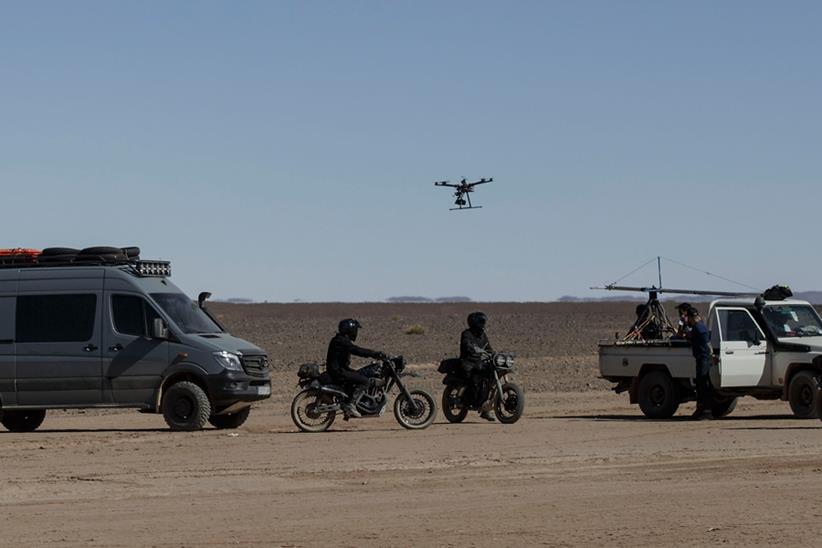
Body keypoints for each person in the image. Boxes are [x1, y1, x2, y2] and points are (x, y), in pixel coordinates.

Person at [325, 319, 386, 418]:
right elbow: (357, 350)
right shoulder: (342, 341)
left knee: (359, 375)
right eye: (355, 330)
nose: (356, 332)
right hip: (338, 371)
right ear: (350, 330)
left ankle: (352, 401)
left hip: (340, 369)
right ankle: (350, 404)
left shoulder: (340, 339)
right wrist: (374, 354)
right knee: (365, 381)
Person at [460, 312, 496, 421]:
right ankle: (471, 401)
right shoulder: (466, 334)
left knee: (490, 379)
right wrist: (473, 348)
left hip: (480, 362)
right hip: (469, 363)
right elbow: (466, 345)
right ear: (474, 322)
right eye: (481, 322)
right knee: (475, 380)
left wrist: (494, 354)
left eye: (483, 322)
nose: (483, 324)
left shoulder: (482, 335)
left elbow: (488, 348)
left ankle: (486, 409)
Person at [687, 307, 714, 420]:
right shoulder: (700, 326)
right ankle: (702, 409)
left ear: (691, 317)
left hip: (703, 359)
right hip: (703, 359)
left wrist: (711, 354)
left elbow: (707, 343)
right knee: (702, 384)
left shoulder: (698, 328)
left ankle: (706, 411)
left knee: (703, 385)